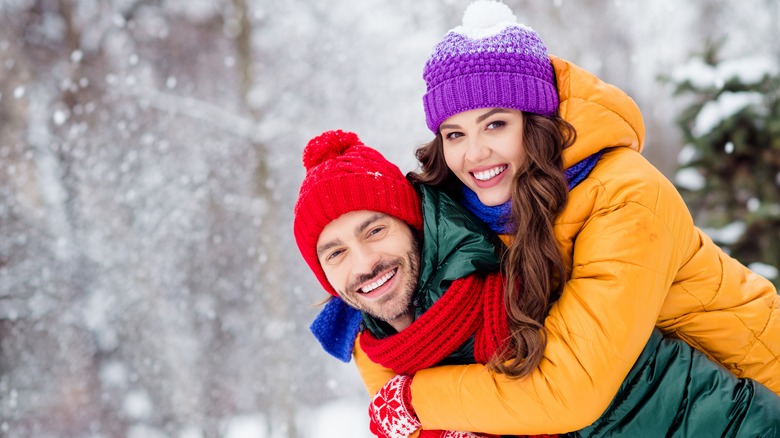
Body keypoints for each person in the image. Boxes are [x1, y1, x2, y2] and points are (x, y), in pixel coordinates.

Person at [359, 0, 780, 436]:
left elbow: (569, 389)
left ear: (535, 121)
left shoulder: (628, 195)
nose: (474, 153)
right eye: (455, 134)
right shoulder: (472, 211)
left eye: (495, 124)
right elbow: (383, 304)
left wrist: (414, 400)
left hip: (751, 403)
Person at [293, 130, 780, 438]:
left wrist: (419, 403)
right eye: (334, 253)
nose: (364, 263)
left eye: (375, 230)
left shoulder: (518, 269)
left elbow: (570, 393)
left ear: (414, 225)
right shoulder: (374, 336)